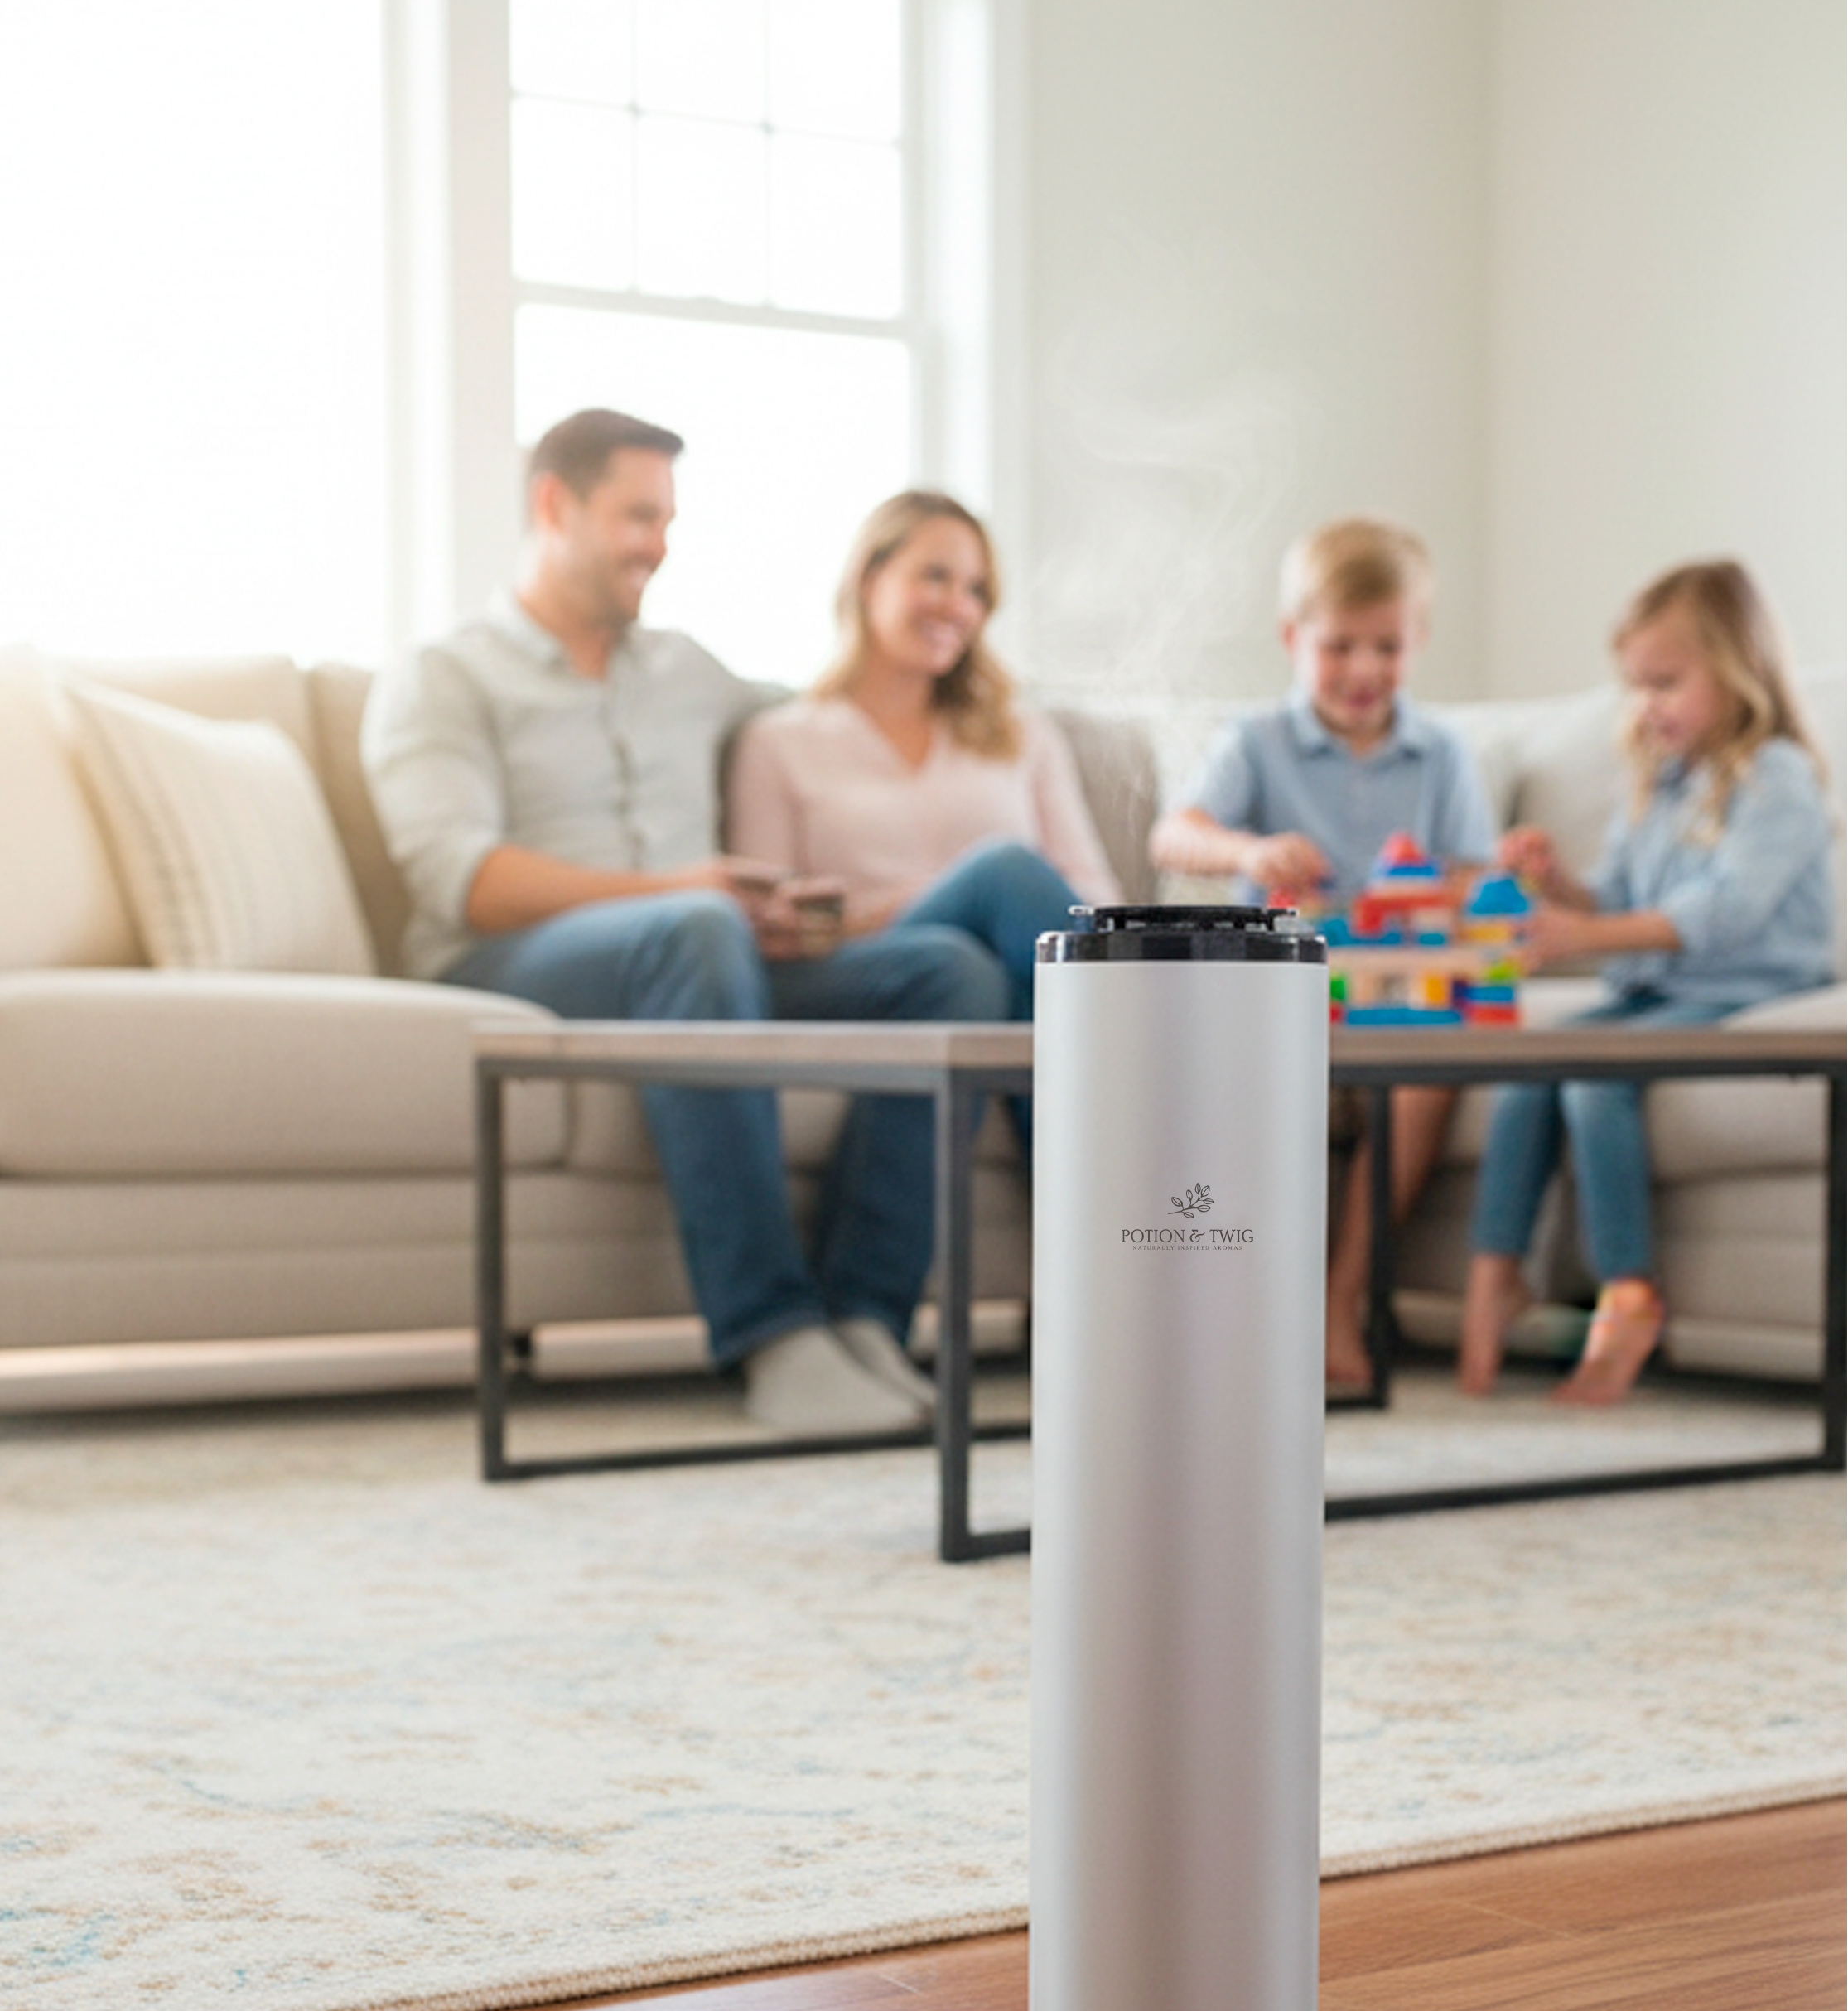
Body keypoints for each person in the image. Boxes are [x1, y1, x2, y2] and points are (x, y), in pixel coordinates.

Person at [361, 409, 1011, 1438]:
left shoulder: (690, 671)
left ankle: (864, 1317)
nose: (658, 544)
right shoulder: (445, 675)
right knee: (697, 927)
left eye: (667, 520)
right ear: (553, 505)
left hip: (700, 957)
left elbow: (827, 717)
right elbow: (463, 879)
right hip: (513, 964)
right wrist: (679, 889)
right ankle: (769, 1330)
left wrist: (922, 633)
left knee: (949, 968)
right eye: (636, 516)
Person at [1459, 558, 1834, 1405]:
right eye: (1635, 685)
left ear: (1737, 670)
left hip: (1743, 985)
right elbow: (1619, 897)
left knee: (1594, 1077)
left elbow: (1721, 912)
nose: (1645, 705)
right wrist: (1558, 883)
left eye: (1665, 682)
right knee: (1527, 1067)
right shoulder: (1660, 781)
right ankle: (1494, 1273)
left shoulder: (1775, 776)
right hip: (1656, 989)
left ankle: (1629, 1294)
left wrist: (1584, 936)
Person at [1147, 515, 1495, 1386]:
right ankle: (1234, 1309)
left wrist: (1444, 887)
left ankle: (1337, 1303)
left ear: (1417, 641)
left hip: (1391, 996)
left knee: (1429, 1068)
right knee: (1238, 1077)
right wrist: (1250, 850)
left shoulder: (1440, 754)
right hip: (1275, 993)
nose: (1363, 670)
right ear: (1291, 638)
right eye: (1339, 646)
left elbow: (1472, 873)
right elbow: (1172, 835)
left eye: (1387, 646)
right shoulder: (1255, 741)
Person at [725, 490, 1119, 1145]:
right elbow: (773, 933)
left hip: (994, 974)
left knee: (1006, 983)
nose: (957, 606)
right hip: (863, 967)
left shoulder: (1023, 734)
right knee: (1002, 872)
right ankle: (1154, 1050)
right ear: (869, 578)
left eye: (975, 590)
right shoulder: (780, 741)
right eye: (935, 576)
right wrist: (914, 901)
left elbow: (1094, 898)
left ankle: (1097, 1194)